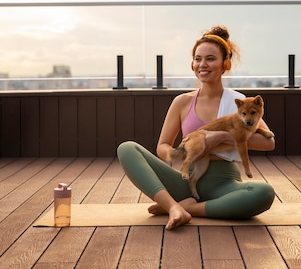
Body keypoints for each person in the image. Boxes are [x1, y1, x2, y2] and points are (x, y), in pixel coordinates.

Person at [117, 25, 276, 229]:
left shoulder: (239, 101)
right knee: (127, 149)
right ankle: (175, 206)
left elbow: (268, 142)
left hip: (224, 183)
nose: (203, 64)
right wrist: (179, 154)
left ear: (225, 63)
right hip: (186, 180)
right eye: (198, 59)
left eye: (210, 59)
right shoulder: (182, 102)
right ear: (192, 64)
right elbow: (163, 146)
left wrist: (220, 137)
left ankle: (183, 208)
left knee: (264, 194)